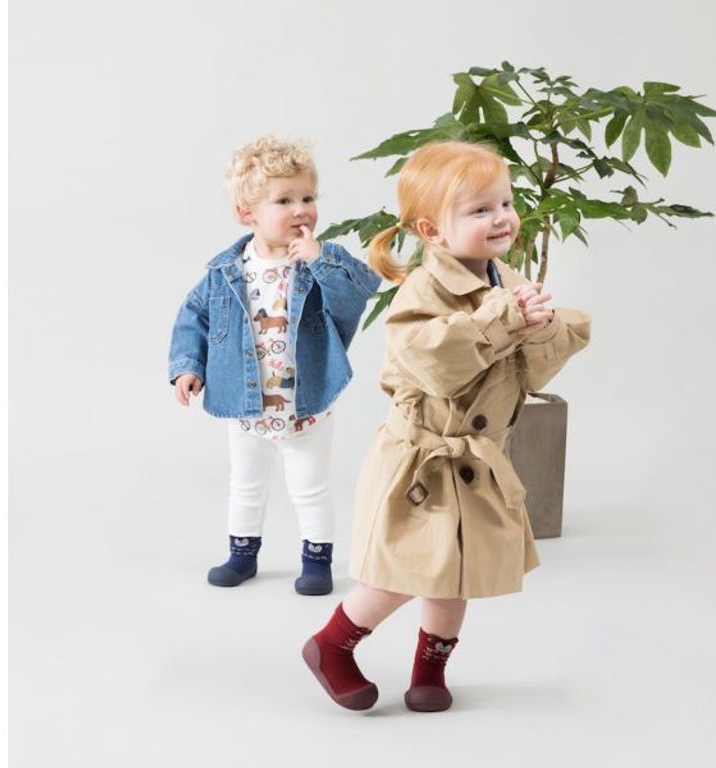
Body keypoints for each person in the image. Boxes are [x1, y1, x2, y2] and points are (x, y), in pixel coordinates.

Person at [301, 140, 591, 710]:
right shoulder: (422, 290)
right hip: (423, 461)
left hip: (476, 460)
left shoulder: (506, 280)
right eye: (480, 210)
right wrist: (503, 321)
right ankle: (332, 644)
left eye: (505, 203)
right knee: (404, 570)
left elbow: (529, 373)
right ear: (432, 231)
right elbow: (432, 362)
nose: (501, 218)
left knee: (457, 571)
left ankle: (429, 669)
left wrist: (540, 329)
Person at [168, 136, 380, 595]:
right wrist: (189, 366)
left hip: (306, 406)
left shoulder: (320, 262)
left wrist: (321, 260)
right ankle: (242, 556)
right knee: (246, 485)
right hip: (246, 408)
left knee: (311, 487)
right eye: (284, 201)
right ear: (247, 212)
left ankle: (316, 562)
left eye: (308, 198)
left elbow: (357, 296)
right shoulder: (227, 271)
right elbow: (194, 317)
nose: (301, 210)